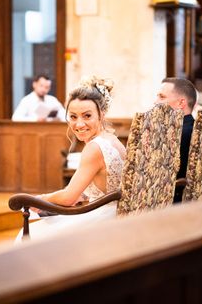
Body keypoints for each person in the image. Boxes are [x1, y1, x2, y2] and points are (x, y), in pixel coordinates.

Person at [17, 76, 125, 241]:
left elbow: (69, 198)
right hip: (111, 212)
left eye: (87, 116)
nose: (79, 124)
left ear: (101, 115)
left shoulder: (94, 148)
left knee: (32, 234)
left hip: (103, 218)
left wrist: (40, 199)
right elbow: (103, 188)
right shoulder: (113, 140)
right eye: (73, 117)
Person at [155, 77, 198, 203]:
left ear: (181, 103)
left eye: (162, 97)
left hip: (171, 203)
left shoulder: (177, 135)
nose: (155, 102)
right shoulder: (197, 129)